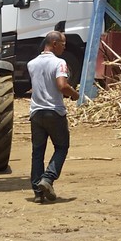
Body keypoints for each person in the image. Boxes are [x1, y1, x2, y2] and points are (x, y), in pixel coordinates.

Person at [28, 30, 78, 203]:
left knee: (37, 153)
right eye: (63, 43)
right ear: (54, 43)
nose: (65, 47)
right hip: (54, 111)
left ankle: (37, 193)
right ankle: (48, 179)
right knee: (62, 147)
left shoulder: (31, 63)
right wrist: (74, 94)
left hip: (35, 112)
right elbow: (61, 85)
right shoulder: (59, 63)